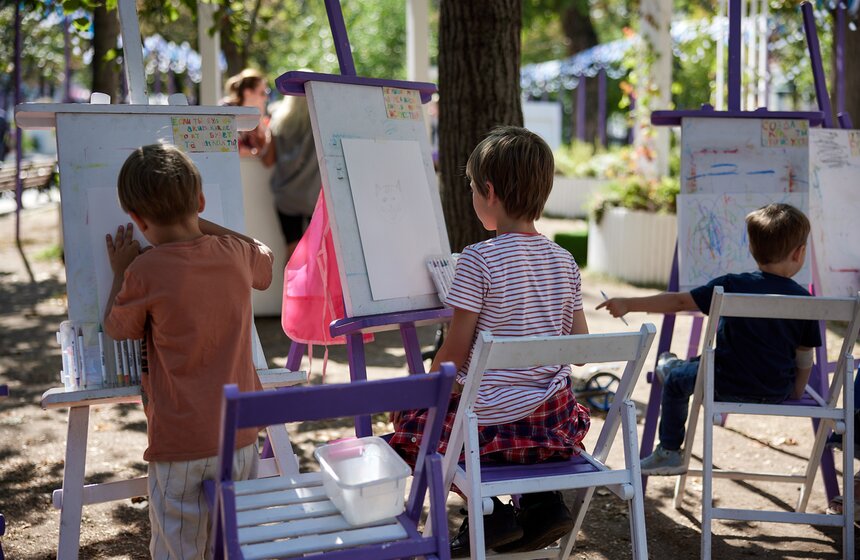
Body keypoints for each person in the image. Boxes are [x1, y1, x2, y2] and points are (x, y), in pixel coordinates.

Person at [388, 126, 591, 557]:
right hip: (549, 425)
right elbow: (580, 345)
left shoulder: (478, 260)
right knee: (514, 401)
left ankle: (488, 514)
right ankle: (542, 504)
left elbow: (454, 354)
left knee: (415, 419)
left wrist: (427, 392)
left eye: (471, 189)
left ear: (490, 192)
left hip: (486, 427)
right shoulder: (565, 261)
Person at [103, 144, 274, 559]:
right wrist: (201, 223)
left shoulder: (144, 271)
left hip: (179, 442)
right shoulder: (235, 255)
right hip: (241, 435)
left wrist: (120, 272)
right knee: (237, 543)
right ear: (200, 200)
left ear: (137, 220)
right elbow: (265, 261)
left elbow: (116, 327)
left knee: (181, 549)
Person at [597, 203, 822, 475]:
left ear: (751, 248)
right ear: (799, 254)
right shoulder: (805, 301)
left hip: (722, 383)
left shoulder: (731, 284)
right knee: (696, 365)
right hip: (776, 388)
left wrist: (628, 303)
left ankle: (669, 450)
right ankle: (675, 365)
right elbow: (804, 356)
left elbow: (680, 302)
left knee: (677, 380)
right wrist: (796, 390)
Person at [266, 95, 321, 260]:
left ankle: (289, 287)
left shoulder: (278, 119)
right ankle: (314, 287)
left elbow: (269, 159)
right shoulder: (319, 118)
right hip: (313, 196)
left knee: (292, 253)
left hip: (286, 197)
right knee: (318, 252)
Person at [222, 68, 273, 161]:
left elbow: (264, 149)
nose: (266, 98)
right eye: (262, 93)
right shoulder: (227, 111)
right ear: (248, 93)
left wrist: (260, 119)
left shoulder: (253, 115)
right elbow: (230, 147)